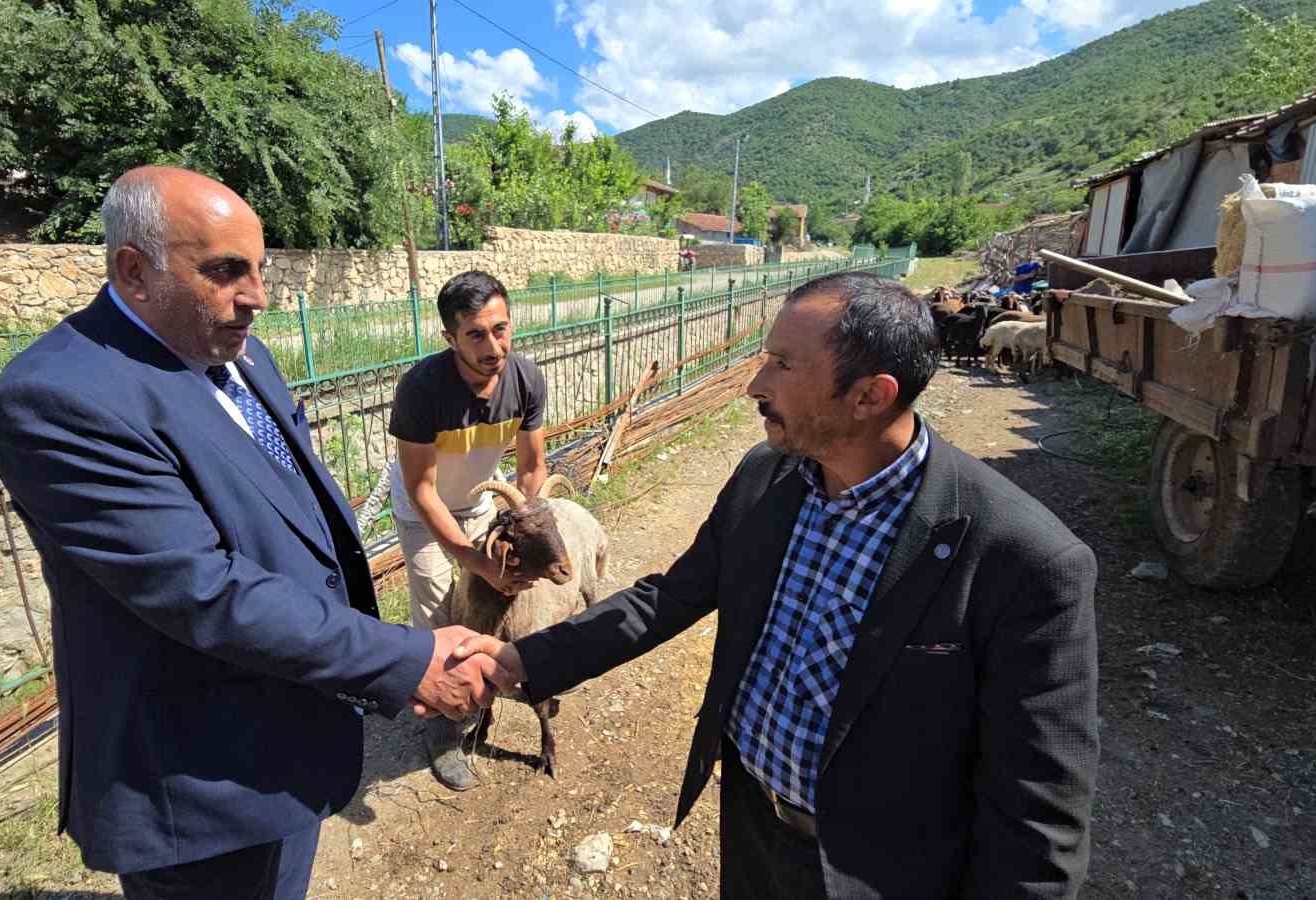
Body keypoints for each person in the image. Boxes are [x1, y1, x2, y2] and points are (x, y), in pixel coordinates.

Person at [453, 272, 1100, 897]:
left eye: (783, 366)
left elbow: (1037, 827)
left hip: (876, 874)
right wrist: (521, 658)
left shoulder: (1025, 563)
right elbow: (667, 598)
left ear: (871, 395)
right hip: (751, 832)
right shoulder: (769, 477)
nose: (754, 384)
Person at [0, 166, 498, 900]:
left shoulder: (236, 351)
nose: (257, 296)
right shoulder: (62, 398)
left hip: (292, 723)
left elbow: (292, 516)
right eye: (227, 271)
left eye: (258, 269)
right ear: (135, 271)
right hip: (201, 778)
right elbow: (203, 590)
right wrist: (403, 656)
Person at [387, 270, 548, 790]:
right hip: (424, 511)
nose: (493, 345)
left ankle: (479, 695)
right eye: (475, 334)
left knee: (486, 608)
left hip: (482, 501)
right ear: (450, 338)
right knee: (438, 619)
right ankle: (443, 731)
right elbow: (422, 490)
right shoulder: (422, 389)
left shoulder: (525, 380)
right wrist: (469, 557)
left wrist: (523, 529)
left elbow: (531, 467)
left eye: (500, 329)